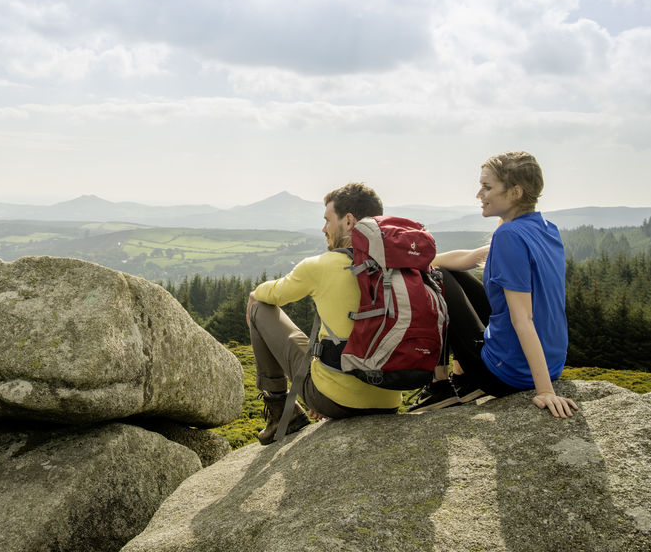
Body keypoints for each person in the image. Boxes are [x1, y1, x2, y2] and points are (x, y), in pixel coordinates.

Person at [407, 151, 578, 418]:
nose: (479, 194)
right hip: (552, 363)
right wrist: (419, 261)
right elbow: (469, 258)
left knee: (435, 278)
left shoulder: (509, 235)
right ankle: (461, 377)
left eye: (487, 187)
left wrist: (545, 391)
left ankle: (442, 386)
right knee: (439, 269)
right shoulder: (544, 227)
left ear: (516, 192)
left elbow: (523, 318)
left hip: (508, 374)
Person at [246, 182, 402, 444]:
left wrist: (253, 295)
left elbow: (270, 295)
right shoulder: (400, 265)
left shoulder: (321, 265)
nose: (324, 228)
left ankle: (280, 412)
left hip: (338, 400)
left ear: (349, 221)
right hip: (389, 397)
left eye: (328, 220)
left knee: (259, 308)